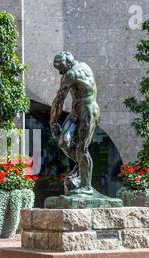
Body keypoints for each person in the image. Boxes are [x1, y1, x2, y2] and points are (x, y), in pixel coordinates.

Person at [49, 51, 100, 195]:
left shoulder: (70, 75)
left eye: (60, 67)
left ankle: (86, 186)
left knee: (82, 148)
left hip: (88, 111)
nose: (59, 72)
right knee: (63, 141)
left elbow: (59, 100)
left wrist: (52, 121)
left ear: (67, 63)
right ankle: (80, 167)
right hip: (76, 111)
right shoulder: (82, 65)